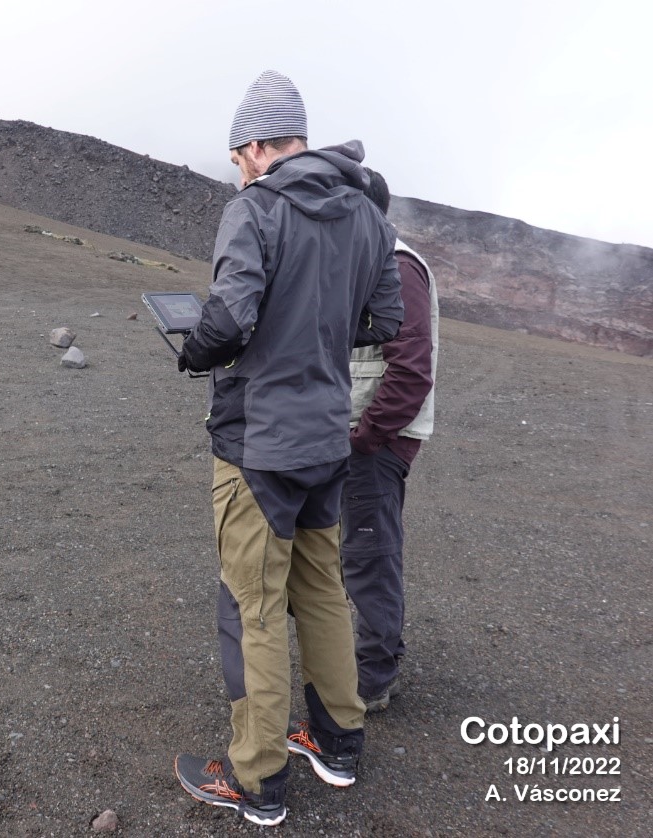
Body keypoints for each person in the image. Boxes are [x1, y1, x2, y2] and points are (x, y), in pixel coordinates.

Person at [170, 70, 403, 827]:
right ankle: (338, 743)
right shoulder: (368, 215)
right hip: (325, 441)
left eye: (238, 155)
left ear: (260, 145)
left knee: (253, 608)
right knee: (323, 593)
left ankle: (257, 780)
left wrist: (193, 350)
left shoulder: (256, 209)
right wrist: (318, 331)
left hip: (258, 444)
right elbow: (383, 320)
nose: (236, 167)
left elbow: (229, 319)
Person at [344, 168, 439, 712]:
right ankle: (379, 655)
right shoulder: (375, 260)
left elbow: (411, 370)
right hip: (369, 430)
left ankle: (373, 679)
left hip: (378, 438)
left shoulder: (396, 266)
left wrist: (366, 437)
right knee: (364, 548)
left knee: (369, 553)